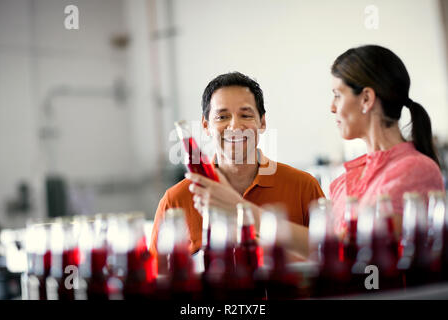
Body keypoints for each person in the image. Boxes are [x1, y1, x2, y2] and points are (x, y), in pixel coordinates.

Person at [149, 72, 325, 261]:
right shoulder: (175, 201)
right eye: (222, 117)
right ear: (206, 126)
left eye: (246, 115)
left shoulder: (303, 187)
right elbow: (156, 277)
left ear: (262, 122)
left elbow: (329, 258)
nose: (234, 126)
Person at [329, 44, 445, 234]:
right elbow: (323, 255)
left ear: (366, 98)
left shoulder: (416, 169)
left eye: (337, 95)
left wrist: (266, 219)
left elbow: (351, 246)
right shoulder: (343, 182)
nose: (332, 108)